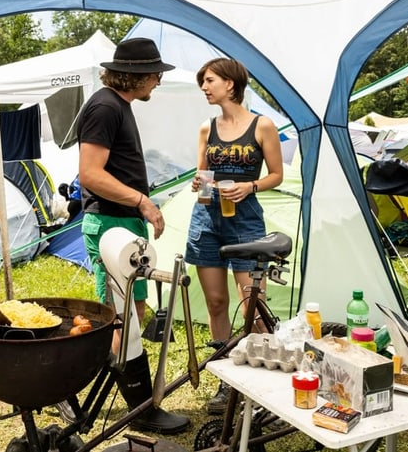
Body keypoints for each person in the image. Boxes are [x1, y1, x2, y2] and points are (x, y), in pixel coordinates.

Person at [77, 37, 190, 435]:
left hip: (122, 223)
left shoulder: (117, 105)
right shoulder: (105, 105)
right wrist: (142, 200)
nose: (158, 81)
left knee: (131, 316)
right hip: (110, 223)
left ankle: (136, 403)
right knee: (121, 317)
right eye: (156, 74)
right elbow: (89, 174)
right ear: (136, 75)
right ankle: (136, 409)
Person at [184, 57, 283, 414]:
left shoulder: (262, 125)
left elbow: (276, 174)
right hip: (207, 220)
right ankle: (227, 382)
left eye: (209, 80)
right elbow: (202, 175)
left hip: (245, 223)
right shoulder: (206, 128)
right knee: (216, 303)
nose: (205, 88)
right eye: (203, 82)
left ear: (231, 83)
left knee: (252, 305)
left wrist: (250, 185)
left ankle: (265, 382)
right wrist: (198, 181)